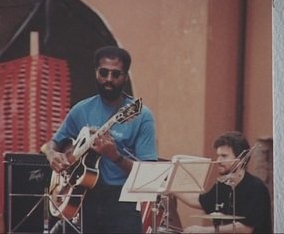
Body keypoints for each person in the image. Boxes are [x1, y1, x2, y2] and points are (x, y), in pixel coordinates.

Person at [43, 46, 158, 233]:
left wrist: (115, 157)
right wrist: (51, 154)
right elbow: (53, 143)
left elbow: (148, 175)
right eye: (103, 73)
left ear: (126, 77)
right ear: (96, 72)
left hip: (123, 204)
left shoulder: (141, 116)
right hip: (84, 199)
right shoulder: (81, 110)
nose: (109, 80)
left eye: (116, 74)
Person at [173, 131, 272, 234]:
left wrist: (204, 230)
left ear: (241, 159)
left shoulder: (256, 188)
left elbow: (246, 228)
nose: (218, 160)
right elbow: (198, 201)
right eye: (218, 155)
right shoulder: (222, 185)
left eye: (224, 156)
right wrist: (169, 188)